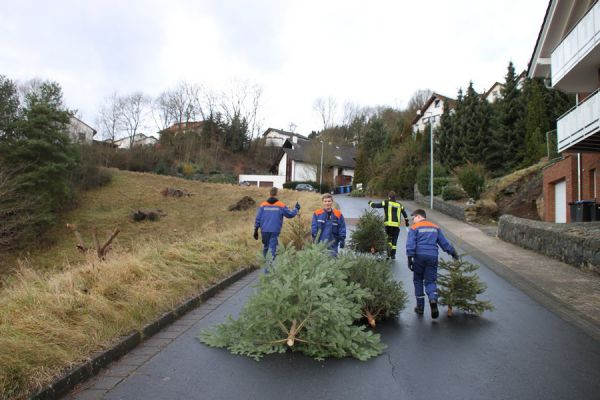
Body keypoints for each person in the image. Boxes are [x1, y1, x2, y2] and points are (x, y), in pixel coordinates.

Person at [406, 208, 458, 319]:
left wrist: (410, 258)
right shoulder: (435, 227)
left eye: (413, 217)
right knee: (430, 281)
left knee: (418, 279)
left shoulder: (414, 228)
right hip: (432, 257)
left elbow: (411, 243)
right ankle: (433, 300)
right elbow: (444, 243)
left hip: (419, 257)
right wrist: (453, 252)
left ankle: (420, 308)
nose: (413, 220)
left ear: (419, 216)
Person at [254, 187, 300, 262]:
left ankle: (266, 265)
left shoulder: (263, 205)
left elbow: (258, 218)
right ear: (277, 194)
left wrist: (255, 230)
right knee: (272, 249)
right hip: (274, 231)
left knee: (266, 248)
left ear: (270, 193)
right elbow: (290, 214)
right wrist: (296, 209)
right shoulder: (281, 205)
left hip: (264, 230)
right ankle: (268, 271)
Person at [368, 191, 409, 259]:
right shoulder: (399, 205)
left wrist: (370, 203)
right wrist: (406, 221)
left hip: (388, 225)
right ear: (395, 197)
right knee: (394, 241)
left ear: (389, 197)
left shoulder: (386, 202)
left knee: (388, 239)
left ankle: (388, 254)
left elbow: (376, 206)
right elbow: (404, 213)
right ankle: (393, 255)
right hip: (396, 226)